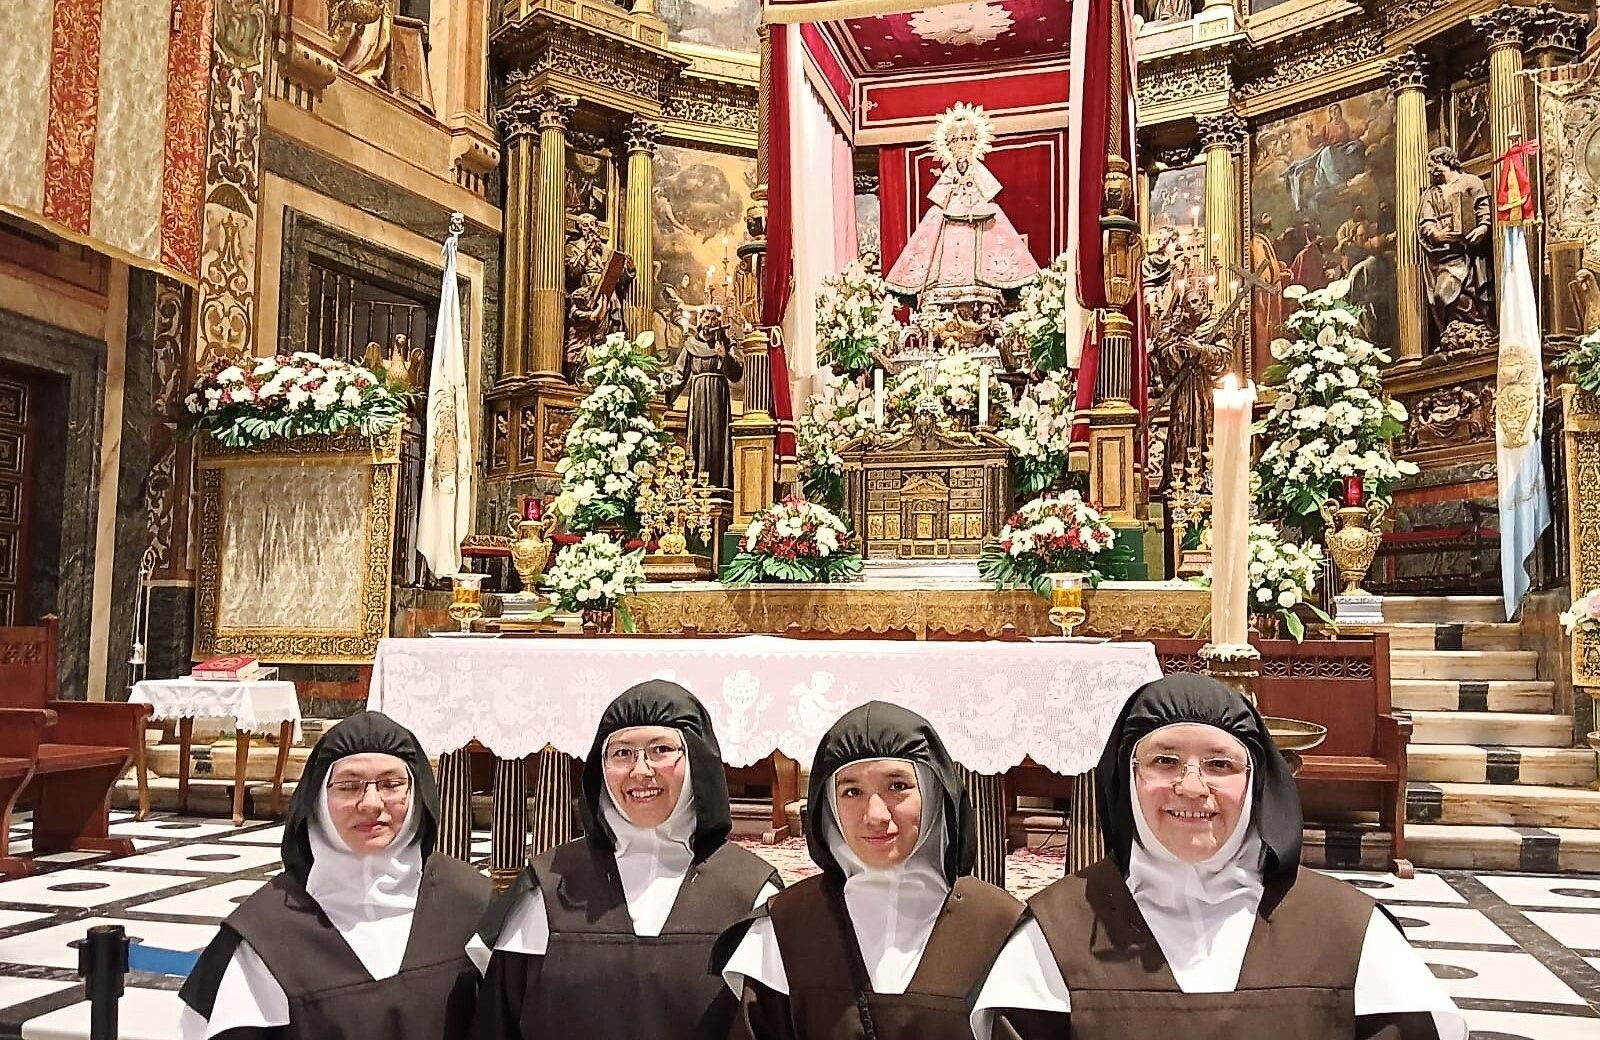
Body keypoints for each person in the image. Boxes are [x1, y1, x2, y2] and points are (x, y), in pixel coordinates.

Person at [972, 674, 1467, 1040]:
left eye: (1219, 764)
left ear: (1255, 784)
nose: (1191, 787)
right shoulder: (1057, 929)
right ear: (1126, 779)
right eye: (1164, 761)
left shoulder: (1347, 930)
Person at [472, 680, 780, 1039]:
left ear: (697, 759)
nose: (640, 771)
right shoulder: (549, 886)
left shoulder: (748, 891)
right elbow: (496, 1022)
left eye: (661, 750)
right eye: (622, 753)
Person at [719, 701, 1023, 1039]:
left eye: (897, 786)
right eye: (852, 792)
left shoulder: (997, 925)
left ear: (935, 793)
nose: (875, 815)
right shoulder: (788, 925)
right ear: (829, 808)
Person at [179, 711, 491, 1040]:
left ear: (417, 795)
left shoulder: (468, 902)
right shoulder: (267, 931)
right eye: (349, 786)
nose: (371, 803)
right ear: (316, 800)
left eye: (392, 784)